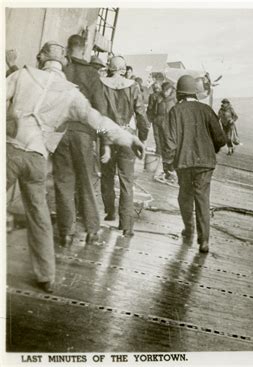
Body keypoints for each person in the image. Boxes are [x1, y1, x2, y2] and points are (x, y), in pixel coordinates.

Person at [6, 41, 144, 293]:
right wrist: (128, 138)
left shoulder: (23, 75)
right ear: (64, 63)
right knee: (39, 217)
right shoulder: (71, 93)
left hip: (11, 151)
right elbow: (98, 121)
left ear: (39, 57)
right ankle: (46, 275)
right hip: (37, 158)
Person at [162, 75, 226, 253]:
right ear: (195, 93)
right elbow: (221, 138)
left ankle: (188, 229)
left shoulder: (175, 111)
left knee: (184, 196)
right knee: (203, 199)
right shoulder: (206, 109)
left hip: (184, 162)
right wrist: (211, 150)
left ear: (179, 93)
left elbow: (169, 142)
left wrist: (168, 164)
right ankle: (204, 241)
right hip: (205, 163)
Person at [52, 34, 105, 247]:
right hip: (83, 134)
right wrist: (102, 141)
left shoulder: (62, 71)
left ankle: (66, 232)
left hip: (61, 132)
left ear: (68, 48)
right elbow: (100, 109)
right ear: (85, 50)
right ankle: (92, 231)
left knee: (64, 182)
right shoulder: (92, 75)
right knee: (86, 181)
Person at [98, 56, 149, 236]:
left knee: (107, 176)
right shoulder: (133, 86)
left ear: (109, 68)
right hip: (128, 137)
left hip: (108, 136)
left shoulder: (101, 84)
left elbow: (101, 116)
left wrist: (104, 143)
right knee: (127, 181)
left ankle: (110, 211)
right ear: (123, 68)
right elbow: (141, 116)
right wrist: (141, 138)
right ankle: (127, 225)